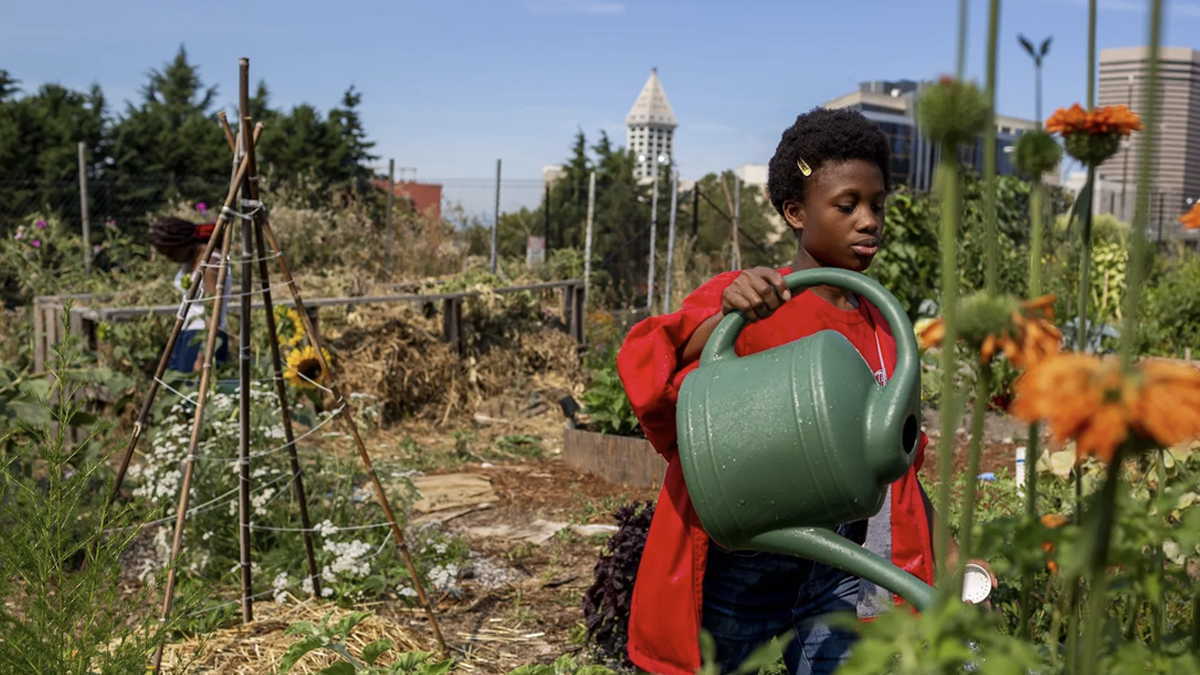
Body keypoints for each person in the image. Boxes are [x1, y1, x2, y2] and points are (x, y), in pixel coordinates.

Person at [616, 107, 991, 675]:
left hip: (838, 569)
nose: (869, 221)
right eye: (847, 206)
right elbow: (651, 371)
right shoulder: (754, 303)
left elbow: (897, 469)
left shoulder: (885, 331)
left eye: (877, 206)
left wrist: (954, 554)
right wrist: (726, 313)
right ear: (795, 211)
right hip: (741, 571)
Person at [149, 216, 232, 374]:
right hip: (187, 333)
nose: (170, 258)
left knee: (195, 393)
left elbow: (212, 311)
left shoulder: (211, 264)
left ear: (182, 244)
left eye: (171, 252)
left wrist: (202, 357)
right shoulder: (191, 260)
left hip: (203, 337)